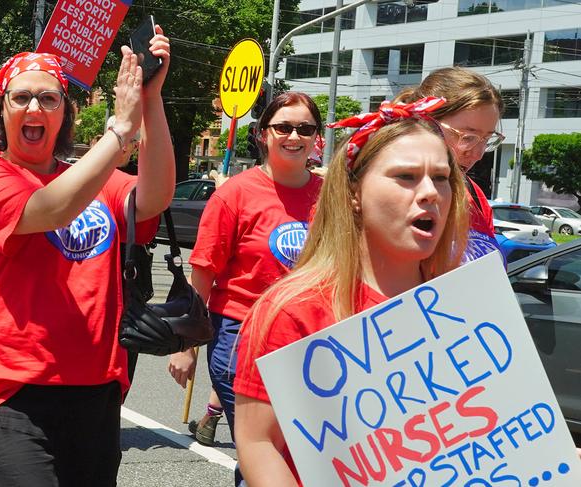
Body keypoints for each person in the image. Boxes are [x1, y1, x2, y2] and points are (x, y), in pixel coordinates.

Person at [0, 27, 173, 486]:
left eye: (48, 99)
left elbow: (155, 196)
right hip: (9, 391)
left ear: (64, 112)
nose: (34, 108)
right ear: (0, 110)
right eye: (21, 97)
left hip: (95, 387)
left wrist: (151, 99)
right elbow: (50, 209)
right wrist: (120, 131)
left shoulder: (94, 179)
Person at [233, 98, 470, 486]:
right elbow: (258, 442)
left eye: (441, 178)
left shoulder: (461, 306)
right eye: (406, 177)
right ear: (354, 194)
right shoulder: (294, 311)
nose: (430, 192)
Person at [168, 92, 324, 475]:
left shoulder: (330, 196)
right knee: (266, 450)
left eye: (304, 128)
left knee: (303, 452)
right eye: (283, 127)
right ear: (263, 134)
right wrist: (185, 344)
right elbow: (203, 272)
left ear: (316, 137)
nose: (294, 136)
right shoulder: (234, 194)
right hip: (241, 337)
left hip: (310, 340)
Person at [393, 67, 505, 263]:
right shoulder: (389, 190)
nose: (478, 154)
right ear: (425, 122)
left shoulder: (474, 194)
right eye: (467, 137)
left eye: (486, 139)